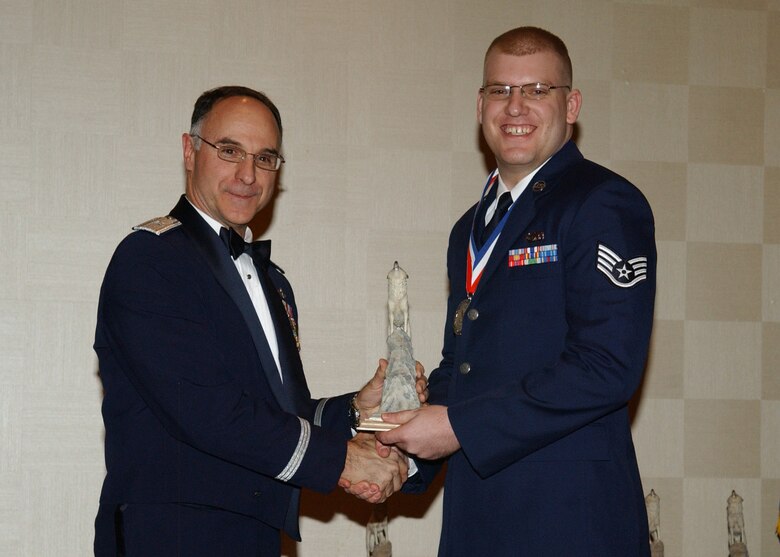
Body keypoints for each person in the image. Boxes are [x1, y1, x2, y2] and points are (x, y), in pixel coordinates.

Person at [93, 85, 424, 557]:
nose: (248, 175)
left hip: (257, 535)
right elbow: (203, 408)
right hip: (170, 535)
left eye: (265, 158)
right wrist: (341, 461)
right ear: (190, 151)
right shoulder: (150, 260)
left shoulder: (273, 282)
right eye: (230, 151)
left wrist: (356, 411)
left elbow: (280, 413)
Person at [377, 27, 656, 556]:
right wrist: (407, 453)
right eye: (500, 90)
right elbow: (462, 366)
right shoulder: (468, 227)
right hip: (477, 518)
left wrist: (458, 427)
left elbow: (607, 366)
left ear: (571, 105)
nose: (515, 106)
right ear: (480, 105)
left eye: (537, 90)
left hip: (570, 522)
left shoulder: (602, 203)